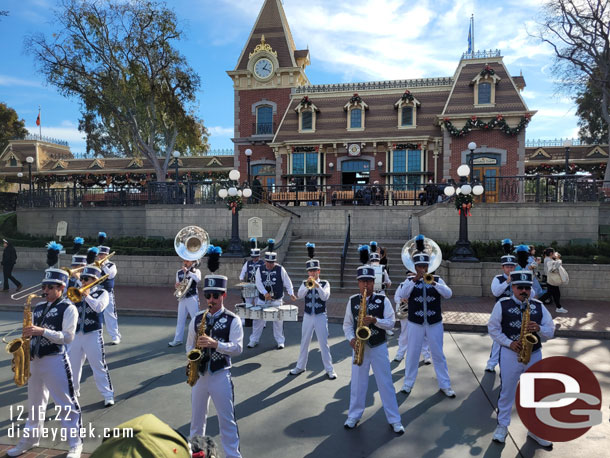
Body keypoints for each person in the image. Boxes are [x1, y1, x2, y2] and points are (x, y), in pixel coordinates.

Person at [7, 267, 83, 458]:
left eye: (50, 287)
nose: (46, 290)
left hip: (55, 359)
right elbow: (30, 334)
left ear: (62, 288)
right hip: (35, 361)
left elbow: (68, 337)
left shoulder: (69, 308)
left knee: (66, 404)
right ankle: (30, 439)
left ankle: (75, 443)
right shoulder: (39, 307)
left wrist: (42, 332)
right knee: (35, 404)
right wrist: (24, 350)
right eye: (44, 286)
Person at [488, 270, 555, 447]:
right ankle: (502, 426)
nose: (524, 291)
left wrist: (538, 328)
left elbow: (551, 331)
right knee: (507, 391)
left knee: (535, 394)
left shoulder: (539, 306)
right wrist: (509, 343)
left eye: (527, 287)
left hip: (534, 354)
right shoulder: (502, 304)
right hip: (510, 353)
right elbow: (493, 329)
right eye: (520, 287)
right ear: (512, 287)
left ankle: (534, 430)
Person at [187, 245, 243, 458]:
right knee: (196, 422)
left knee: (226, 420)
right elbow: (188, 346)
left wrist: (215, 344)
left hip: (220, 374)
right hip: (200, 376)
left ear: (224, 295)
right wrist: (192, 361)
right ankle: (197, 454)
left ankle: (233, 455)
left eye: (215, 296)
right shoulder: (197, 318)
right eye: (208, 295)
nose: (210, 300)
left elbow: (237, 348)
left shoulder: (232, 319)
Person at [342, 265, 404, 434]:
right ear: (358, 283)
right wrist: (351, 339)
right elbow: (347, 324)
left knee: (385, 383)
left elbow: (391, 323)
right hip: (359, 347)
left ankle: (394, 419)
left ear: (374, 282)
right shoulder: (353, 300)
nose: (365, 285)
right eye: (362, 281)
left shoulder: (382, 300)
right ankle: (354, 416)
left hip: (378, 346)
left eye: (368, 281)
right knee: (357, 384)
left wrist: (375, 320)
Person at [394, 235, 455, 397]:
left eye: (424, 266)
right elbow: (403, 294)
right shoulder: (408, 281)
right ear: (414, 266)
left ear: (429, 266)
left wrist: (433, 282)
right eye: (419, 266)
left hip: (435, 323)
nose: (422, 269)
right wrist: (415, 279)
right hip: (415, 323)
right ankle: (408, 384)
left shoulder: (438, 279)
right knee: (412, 354)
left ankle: (445, 384)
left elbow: (448, 294)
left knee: (438, 355)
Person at [68, 263, 115, 406]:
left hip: (93, 333)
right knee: (73, 366)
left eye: (86, 279)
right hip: (76, 335)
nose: (82, 282)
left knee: (98, 365)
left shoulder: (102, 293)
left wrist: (87, 296)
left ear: (95, 280)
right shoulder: (77, 293)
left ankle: (108, 395)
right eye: (82, 279)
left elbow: (99, 308)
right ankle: (73, 393)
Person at [289, 243, 336, 379]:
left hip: (321, 316)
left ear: (319, 271)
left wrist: (317, 286)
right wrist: (309, 286)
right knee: (304, 342)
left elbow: (325, 296)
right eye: (310, 271)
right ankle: (300, 366)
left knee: (323, 343)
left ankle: (329, 369)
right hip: (308, 316)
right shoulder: (305, 283)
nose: (312, 273)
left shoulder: (325, 283)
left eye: (314, 271)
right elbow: (300, 295)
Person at [248, 240, 297, 349]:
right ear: (265, 261)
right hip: (262, 300)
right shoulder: (260, 269)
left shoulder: (280, 269)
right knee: (258, 320)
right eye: (267, 262)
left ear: (275, 262)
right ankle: (253, 340)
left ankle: (280, 341)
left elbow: (287, 282)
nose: (269, 265)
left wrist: (291, 293)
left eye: (271, 263)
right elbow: (258, 282)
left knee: (278, 321)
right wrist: (265, 293)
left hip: (276, 300)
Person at [486, 244, 518, 373]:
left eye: (512, 266)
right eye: (507, 267)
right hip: (501, 311)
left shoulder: (519, 278)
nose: (510, 269)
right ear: (503, 267)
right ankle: (492, 363)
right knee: (498, 338)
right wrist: (507, 282)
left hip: (516, 311)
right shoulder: (497, 278)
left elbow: (531, 293)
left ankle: (514, 364)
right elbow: (496, 292)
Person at [393, 277, 431, 364]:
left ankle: (426, 355)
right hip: (407, 313)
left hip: (420, 313)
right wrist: (401, 300)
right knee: (405, 334)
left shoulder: (424, 283)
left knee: (423, 335)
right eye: (411, 274)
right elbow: (396, 297)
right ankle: (400, 354)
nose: (413, 275)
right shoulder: (403, 284)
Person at [169, 258, 202, 347]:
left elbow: (198, 279)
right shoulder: (179, 272)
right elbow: (178, 285)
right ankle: (178, 339)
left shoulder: (196, 271)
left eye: (187, 261)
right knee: (180, 320)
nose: (185, 263)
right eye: (184, 261)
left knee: (196, 319)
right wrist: (177, 285)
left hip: (192, 298)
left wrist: (188, 272)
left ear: (192, 262)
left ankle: (199, 340)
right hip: (182, 298)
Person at [97, 233, 121, 344]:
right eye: (99, 254)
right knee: (97, 315)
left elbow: (109, 275)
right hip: (96, 293)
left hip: (107, 293)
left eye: (102, 254)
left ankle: (115, 336)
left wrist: (102, 265)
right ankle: (98, 336)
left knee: (110, 314)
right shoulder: (94, 265)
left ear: (107, 255)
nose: (100, 256)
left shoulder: (111, 265)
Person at [238, 240, 263, 307]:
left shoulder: (262, 263)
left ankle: (256, 315)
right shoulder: (248, 263)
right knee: (248, 301)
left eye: (256, 257)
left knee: (257, 301)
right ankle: (248, 316)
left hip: (259, 284)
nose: (254, 258)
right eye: (253, 257)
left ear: (258, 256)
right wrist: (241, 277)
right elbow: (243, 270)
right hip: (250, 283)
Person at [543, 247, 568, 313]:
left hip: (550, 278)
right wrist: (558, 259)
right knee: (550, 293)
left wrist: (556, 258)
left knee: (556, 293)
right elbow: (553, 269)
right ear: (551, 253)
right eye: (554, 253)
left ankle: (559, 307)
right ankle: (534, 304)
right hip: (551, 278)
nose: (555, 254)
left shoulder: (548, 259)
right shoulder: (548, 260)